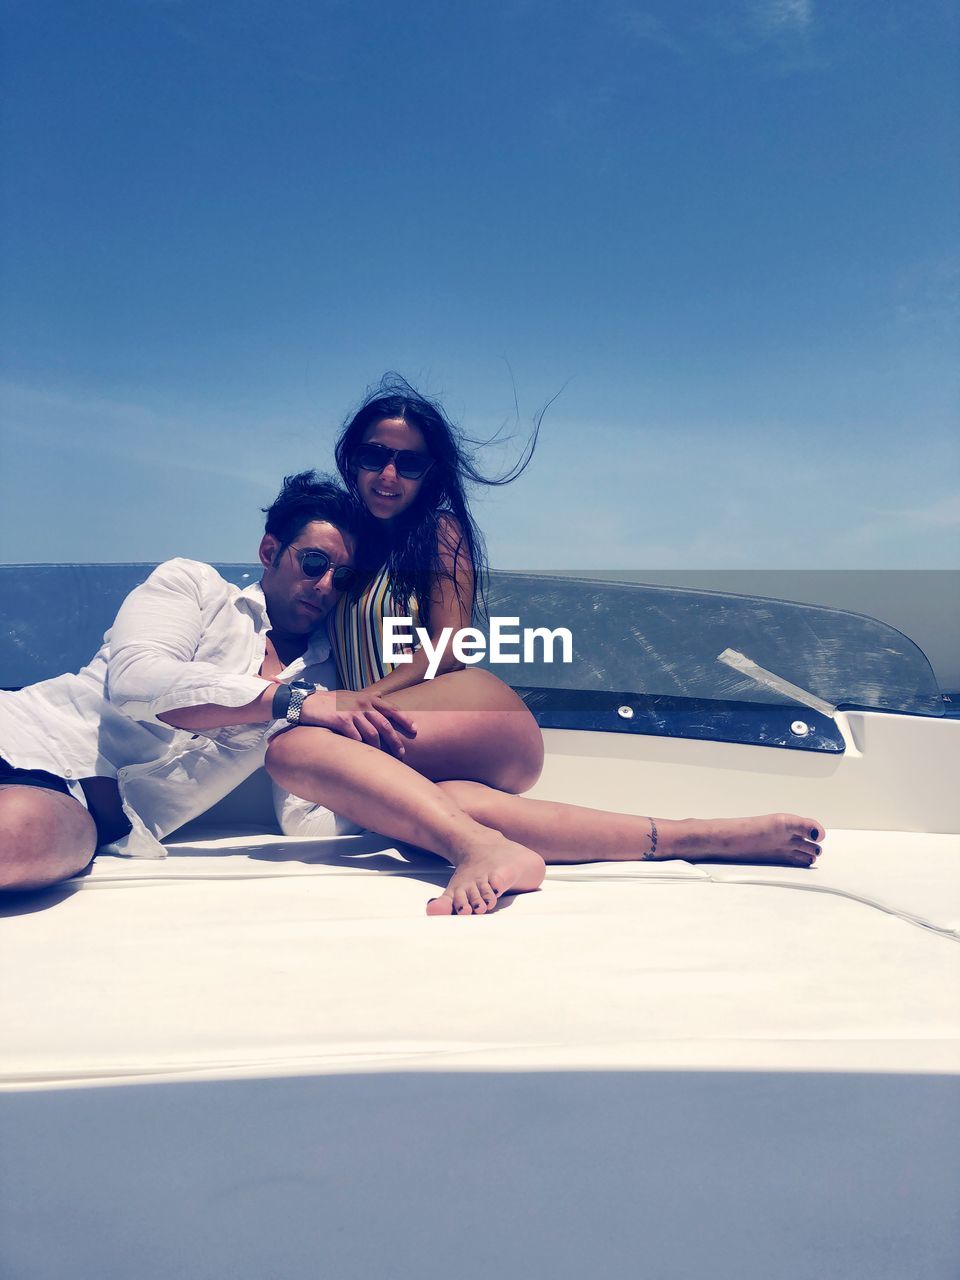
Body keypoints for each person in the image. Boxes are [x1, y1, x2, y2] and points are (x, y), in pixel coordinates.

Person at [0, 473, 825, 911]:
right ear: (269, 550)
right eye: (312, 562)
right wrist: (290, 704)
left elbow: (383, 786)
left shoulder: (332, 683)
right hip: (26, 742)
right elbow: (138, 681)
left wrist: (436, 816)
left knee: (27, 840)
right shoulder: (193, 589)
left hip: (88, 818)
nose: (325, 585)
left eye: (342, 574)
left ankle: (694, 835)